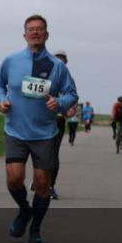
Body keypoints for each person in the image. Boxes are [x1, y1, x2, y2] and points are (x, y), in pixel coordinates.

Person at [0, 15, 77, 243]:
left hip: (44, 132)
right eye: (31, 29)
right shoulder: (11, 61)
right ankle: (24, 210)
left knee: (42, 183)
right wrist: (1, 100)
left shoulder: (57, 66)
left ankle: (36, 229)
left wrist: (59, 104)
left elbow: (72, 94)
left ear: (46, 34)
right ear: (25, 35)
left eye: (40, 29)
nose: (35, 33)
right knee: (14, 178)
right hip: (15, 129)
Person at [46, 49, 71, 199]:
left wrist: (70, 107)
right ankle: (40, 179)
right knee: (41, 153)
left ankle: (50, 186)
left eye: (63, 59)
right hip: (42, 120)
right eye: (57, 59)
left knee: (53, 154)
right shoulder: (45, 76)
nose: (60, 62)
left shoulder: (68, 79)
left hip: (58, 120)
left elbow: (72, 97)